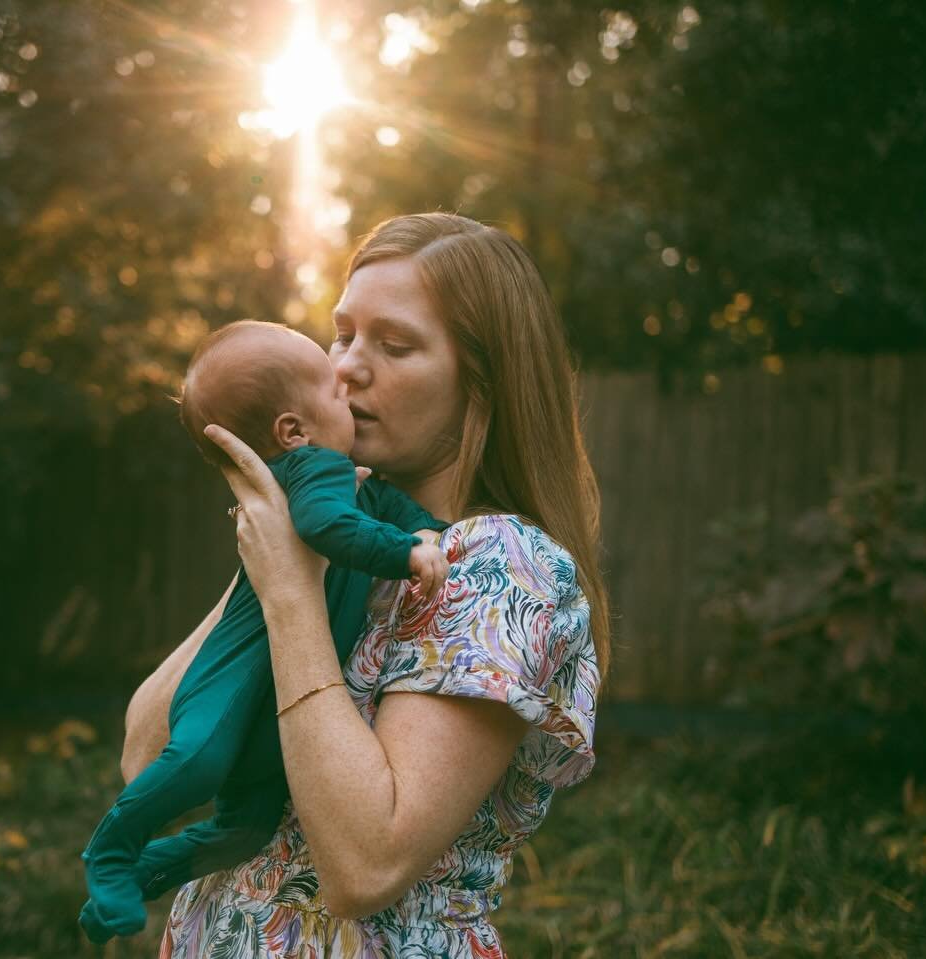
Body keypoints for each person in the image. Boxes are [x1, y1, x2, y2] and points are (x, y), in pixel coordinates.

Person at [120, 213, 611, 957]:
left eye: (395, 344)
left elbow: (364, 862)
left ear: (482, 379)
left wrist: (288, 594)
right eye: (343, 333)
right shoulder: (332, 545)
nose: (345, 367)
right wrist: (282, 544)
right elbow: (144, 759)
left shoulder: (498, 564)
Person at [79, 320, 450, 943]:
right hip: (239, 670)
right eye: (335, 383)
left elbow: (394, 512)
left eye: (392, 344)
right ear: (293, 432)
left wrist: (430, 530)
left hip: (282, 695)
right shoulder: (315, 471)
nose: (347, 379)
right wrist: (408, 555)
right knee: (198, 757)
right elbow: (329, 528)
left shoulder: (352, 480)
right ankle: (109, 854)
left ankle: (146, 870)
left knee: (247, 826)